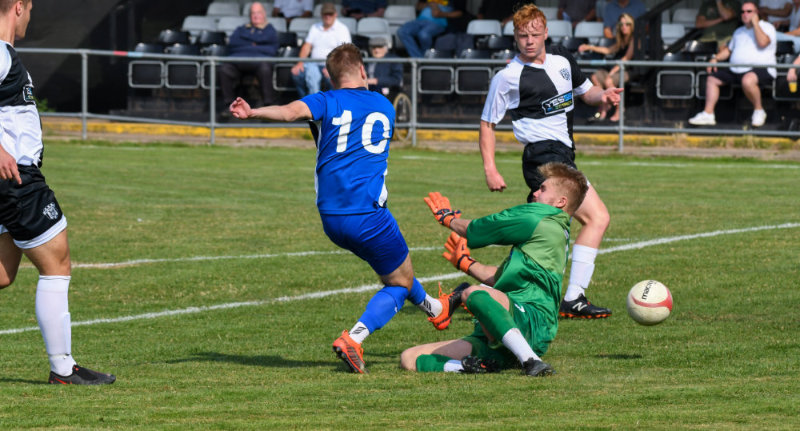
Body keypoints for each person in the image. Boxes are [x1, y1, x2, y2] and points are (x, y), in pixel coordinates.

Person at [229, 43, 452, 374]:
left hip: (332, 218)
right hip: (368, 215)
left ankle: (435, 309)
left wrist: (253, 112)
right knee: (399, 283)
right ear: (362, 70)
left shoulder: (326, 101)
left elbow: (289, 112)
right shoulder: (384, 105)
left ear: (330, 77)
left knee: (394, 268)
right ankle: (354, 338)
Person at [478, 4, 620, 319]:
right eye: (522, 36)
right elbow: (487, 124)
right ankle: (574, 297)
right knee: (596, 218)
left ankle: (484, 288)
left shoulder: (563, 60)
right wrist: (490, 169)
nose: (528, 41)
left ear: (546, 32)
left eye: (534, 34)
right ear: (514, 37)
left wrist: (604, 95)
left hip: (563, 154)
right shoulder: (508, 77)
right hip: (543, 159)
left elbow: (587, 93)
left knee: (544, 239)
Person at [0, 0, 114, 385]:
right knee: (56, 264)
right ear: (19, 6)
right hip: (16, 179)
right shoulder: (0, 53)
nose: (31, 17)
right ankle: (64, 369)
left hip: (11, 178)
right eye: (31, 9)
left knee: (3, 272)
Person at [400, 162, 589, 376]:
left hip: (531, 321)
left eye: (543, 189)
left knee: (471, 292)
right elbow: (499, 279)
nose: (535, 193)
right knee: (409, 358)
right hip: (502, 332)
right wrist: (466, 263)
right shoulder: (551, 231)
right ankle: (470, 367)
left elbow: (483, 228)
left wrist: (448, 219)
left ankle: (531, 361)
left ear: (560, 202)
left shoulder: (541, 216)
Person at [688, 2, 777, 127]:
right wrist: (715, 58)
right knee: (712, 79)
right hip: (736, 69)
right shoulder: (738, 31)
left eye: (749, 11)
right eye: (743, 12)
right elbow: (729, 50)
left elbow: (763, 43)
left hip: (762, 68)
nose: (745, 14)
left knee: (747, 80)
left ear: (756, 13)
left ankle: (759, 110)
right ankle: (708, 113)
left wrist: (756, 24)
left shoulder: (767, 27)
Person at [219, 2, 279, 110]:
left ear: (264, 14)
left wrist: (246, 43)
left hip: (260, 63)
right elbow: (233, 44)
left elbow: (271, 50)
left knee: (265, 69)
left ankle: (268, 105)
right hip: (238, 61)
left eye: (258, 13)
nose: (256, 16)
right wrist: (256, 44)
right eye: (253, 13)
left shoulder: (270, 30)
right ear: (250, 15)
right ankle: (229, 105)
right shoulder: (240, 29)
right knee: (225, 69)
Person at [578, 13, 635, 122]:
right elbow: (608, 50)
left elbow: (626, 58)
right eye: (621, 24)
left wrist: (612, 72)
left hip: (628, 70)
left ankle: (619, 110)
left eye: (627, 24)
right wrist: (589, 47)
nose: (624, 26)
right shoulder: (621, 40)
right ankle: (604, 105)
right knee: (595, 77)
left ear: (631, 25)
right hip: (616, 70)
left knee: (609, 81)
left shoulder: (634, 39)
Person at [291, 3, 351, 98]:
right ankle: (307, 101)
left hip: (333, 65)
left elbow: (345, 52)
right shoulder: (315, 27)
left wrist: (333, 67)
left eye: (330, 14)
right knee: (297, 73)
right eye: (325, 14)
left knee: (333, 78)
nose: (328, 16)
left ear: (335, 14)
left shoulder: (342, 29)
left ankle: (329, 102)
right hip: (313, 64)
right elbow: (307, 46)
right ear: (321, 15)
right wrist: (300, 63)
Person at [396, 0, 467, 58]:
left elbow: (460, 13)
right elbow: (418, 6)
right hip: (420, 20)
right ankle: (419, 58)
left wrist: (440, 13)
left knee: (424, 34)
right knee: (402, 31)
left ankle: (424, 59)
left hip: (439, 22)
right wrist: (430, 4)